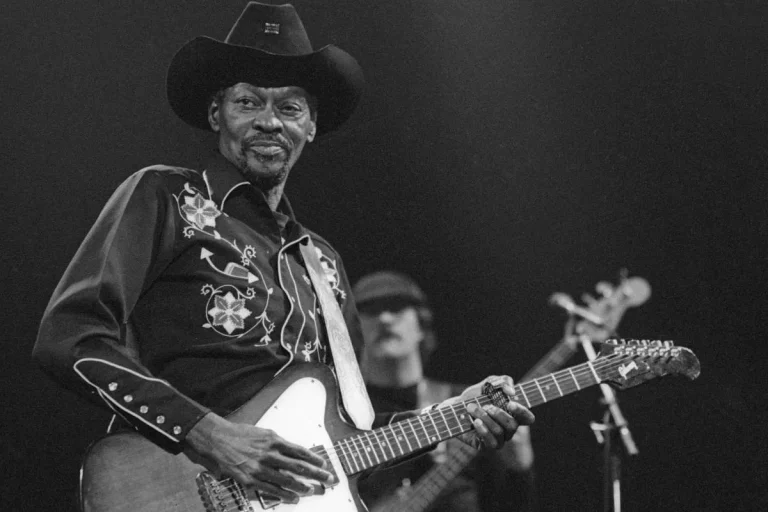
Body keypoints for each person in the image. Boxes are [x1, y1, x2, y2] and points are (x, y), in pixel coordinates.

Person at [32, 2, 534, 508]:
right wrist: (209, 436)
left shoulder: (324, 265)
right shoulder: (166, 197)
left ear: (311, 126)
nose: (269, 121)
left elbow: (350, 436)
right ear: (216, 113)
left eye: (290, 108)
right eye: (248, 102)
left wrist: (450, 414)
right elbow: (69, 334)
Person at [354, 271, 538, 512]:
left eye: (396, 308)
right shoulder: (347, 412)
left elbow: (509, 505)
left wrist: (519, 467)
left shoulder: (468, 404)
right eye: (371, 311)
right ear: (354, 331)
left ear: (421, 324)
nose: (385, 319)